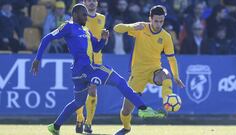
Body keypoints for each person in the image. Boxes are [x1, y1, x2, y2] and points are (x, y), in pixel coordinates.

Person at [31, 4, 166, 135]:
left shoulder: (86, 30)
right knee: (120, 82)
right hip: (87, 68)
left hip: (80, 72)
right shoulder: (68, 26)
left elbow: (96, 48)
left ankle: (55, 127)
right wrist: (37, 59)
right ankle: (143, 108)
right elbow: (47, 38)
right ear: (75, 15)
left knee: (78, 102)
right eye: (84, 15)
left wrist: (103, 39)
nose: (86, 17)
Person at [114, 5, 185, 135]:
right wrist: (131, 27)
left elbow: (171, 58)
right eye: (156, 21)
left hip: (155, 70)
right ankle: (126, 127)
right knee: (126, 111)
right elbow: (117, 28)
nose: (159, 24)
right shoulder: (141, 27)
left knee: (166, 74)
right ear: (150, 19)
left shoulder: (166, 36)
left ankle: (166, 100)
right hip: (138, 74)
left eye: (161, 21)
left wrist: (176, 76)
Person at [75, 0, 106, 134]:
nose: (92, 3)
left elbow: (99, 39)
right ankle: (79, 117)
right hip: (82, 59)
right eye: (89, 0)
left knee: (92, 90)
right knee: (81, 91)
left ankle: (88, 123)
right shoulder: (78, 18)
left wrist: (104, 39)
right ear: (84, 2)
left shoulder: (102, 18)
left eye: (94, 0)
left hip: (97, 60)